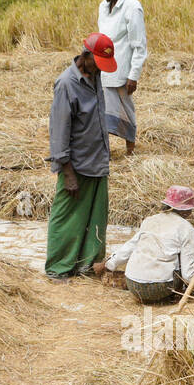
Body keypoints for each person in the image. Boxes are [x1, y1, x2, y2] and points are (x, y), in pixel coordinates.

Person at [45, 32, 115, 280]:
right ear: (85, 56)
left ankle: (88, 265)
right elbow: (59, 131)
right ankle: (59, 267)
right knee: (67, 220)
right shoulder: (66, 84)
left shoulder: (95, 76)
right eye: (98, 63)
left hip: (97, 160)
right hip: (76, 165)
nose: (100, 69)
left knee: (96, 217)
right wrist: (68, 172)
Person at [92, 185, 194, 303]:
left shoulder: (150, 220)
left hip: (133, 283)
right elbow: (188, 274)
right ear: (186, 210)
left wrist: (108, 265)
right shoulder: (187, 230)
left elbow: (129, 247)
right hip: (161, 288)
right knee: (180, 258)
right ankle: (170, 297)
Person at [96, 0, 148, 156]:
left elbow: (139, 45)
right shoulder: (103, 6)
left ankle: (130, 151)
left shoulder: (132, 7)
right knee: (102, 110)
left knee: (126, 110)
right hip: (104, 67)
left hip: (122, 69)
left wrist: (133, 76)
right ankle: (105, 151)